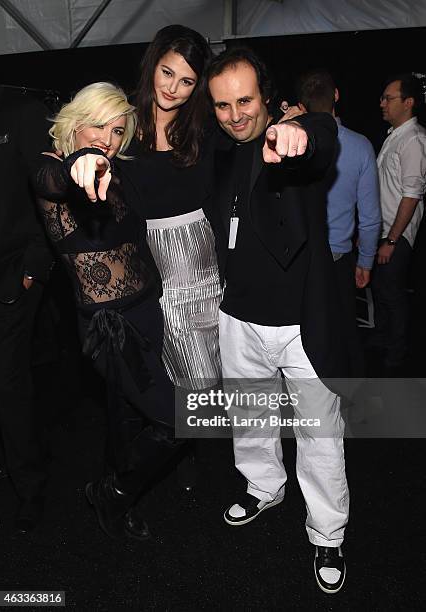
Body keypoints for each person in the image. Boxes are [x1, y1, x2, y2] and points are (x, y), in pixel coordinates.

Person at [207, 47, 349, 594]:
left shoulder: (288, 140)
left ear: (267, 97)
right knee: (250, 419)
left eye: (245, 100)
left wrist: (303, 132)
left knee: (320, 434)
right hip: (238, 318)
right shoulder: (218, 153)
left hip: (301, 324)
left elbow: (322, 137)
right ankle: (263, 487)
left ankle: (327, 530)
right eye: (223, 105)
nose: (236, 114)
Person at [34, 82, 185, 540]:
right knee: (178, 419)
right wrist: (80, 162)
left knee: (133, 416)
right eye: (98, 125)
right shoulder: (51, 168)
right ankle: (113, 492)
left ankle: (116, 501)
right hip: (109, 327)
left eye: (117, 131)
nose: (108, 138)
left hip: (147, 310)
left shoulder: (119, 170)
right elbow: (55, 180)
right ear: (74, 124)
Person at [130, 25, 221, 390]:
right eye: (167, 73)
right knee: (180, 377)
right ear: (153, 63)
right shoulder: (121, 124)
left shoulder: (205, 129)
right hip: (150, 266)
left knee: (212, 369)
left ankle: (204, 440)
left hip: (204, 264)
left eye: (186, 81)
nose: (172, 88)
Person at [285, 69, 381, 376]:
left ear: (302, 103)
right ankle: (352, 402)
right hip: (338, 259)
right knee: (344, 335)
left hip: (300, 260)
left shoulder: (289, 146)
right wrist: (365, 262)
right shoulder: (361, 145)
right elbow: (369, 217)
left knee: (300, 338)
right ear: (336, 95)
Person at [0, 81, 53, 533]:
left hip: (11, 275)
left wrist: (33, 265)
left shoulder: (20, 109)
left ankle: (30, 487)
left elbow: (47, 192)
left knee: (8, 381)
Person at [371, 73, 426, 370]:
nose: (382, 103)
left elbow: (412, 195)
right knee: (381, 292)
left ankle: (396, 356)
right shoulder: (396, 136)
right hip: (385, 231)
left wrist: (392, 240)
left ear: (408, 102)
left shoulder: (414, 140)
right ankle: (382, 343)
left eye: (388, 98)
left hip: (397, 234)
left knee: (391, 294)